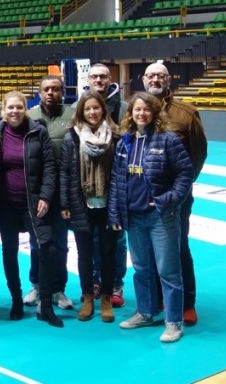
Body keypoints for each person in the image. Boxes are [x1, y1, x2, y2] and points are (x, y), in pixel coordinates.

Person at [109, 92, 194, 343]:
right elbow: (117, 180)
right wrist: (115, 212)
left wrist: (165, 201)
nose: (141, 114)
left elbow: (184, 176)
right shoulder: (125, 142)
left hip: (160, 217)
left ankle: (174, 322)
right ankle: (145, 312)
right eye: (137, 110)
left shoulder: (168, 140)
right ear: (131, 113)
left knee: (168, 271)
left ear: (154, 113)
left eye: (146, 110)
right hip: (133, 217)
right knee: (141, 269)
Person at [143, 61, 207, 326]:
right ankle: (157, 299)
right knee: (149, 250)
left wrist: (180, 189)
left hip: (176, 197)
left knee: (179, 247)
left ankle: (187, 303)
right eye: (151, 75)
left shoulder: (186, 113)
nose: (155, 79)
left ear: (169, 80)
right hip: (141, 197)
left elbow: (198, 154)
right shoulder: (133, 110)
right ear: (143, 80)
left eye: (161, 75)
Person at [0, 91, 63, 327]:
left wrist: (45, 195)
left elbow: (50, 167)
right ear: (3, 110)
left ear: (25, 108)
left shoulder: (38, 131)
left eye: (19, 107)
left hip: (33, 203)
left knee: (47, 247)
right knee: (9, 251)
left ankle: (45, 304)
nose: (14, 111)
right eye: (10, 107)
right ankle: (15, 300)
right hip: (6, 205)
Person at [60, 92, 119, 322]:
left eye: (96, 108)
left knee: (107, 253)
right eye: (88, 109)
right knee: (84, 254)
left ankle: (105, 297)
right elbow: (65, 172)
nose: (92, 112)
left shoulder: (114, 136)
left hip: (107, 204)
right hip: (81, 203)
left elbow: (119, 172)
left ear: (103, 110)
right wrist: (65, 203)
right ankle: (87, 297)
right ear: (81, 113)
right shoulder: (71, 138)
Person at [80, 63, 128, 308]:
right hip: (90, 190)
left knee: (117, 239)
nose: (99, 79)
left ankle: (116, 284)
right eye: (94, 76)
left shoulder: (124, 108)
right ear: (88, 79)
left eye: (103, 76)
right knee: (95, 240)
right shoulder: (80, 107)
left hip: (116, 186)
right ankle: (97, 281)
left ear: (110, 79)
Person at [25, 75, 74, 311]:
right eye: (46, 89)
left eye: (55, 89)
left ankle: (58, 289)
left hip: (63, 190)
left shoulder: (72, 115)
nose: (50, 93)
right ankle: (37, 285)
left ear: (62, 91)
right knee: (37, 242)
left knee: (61, 242)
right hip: (37, 189)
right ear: (40, 92)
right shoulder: (30, 116)